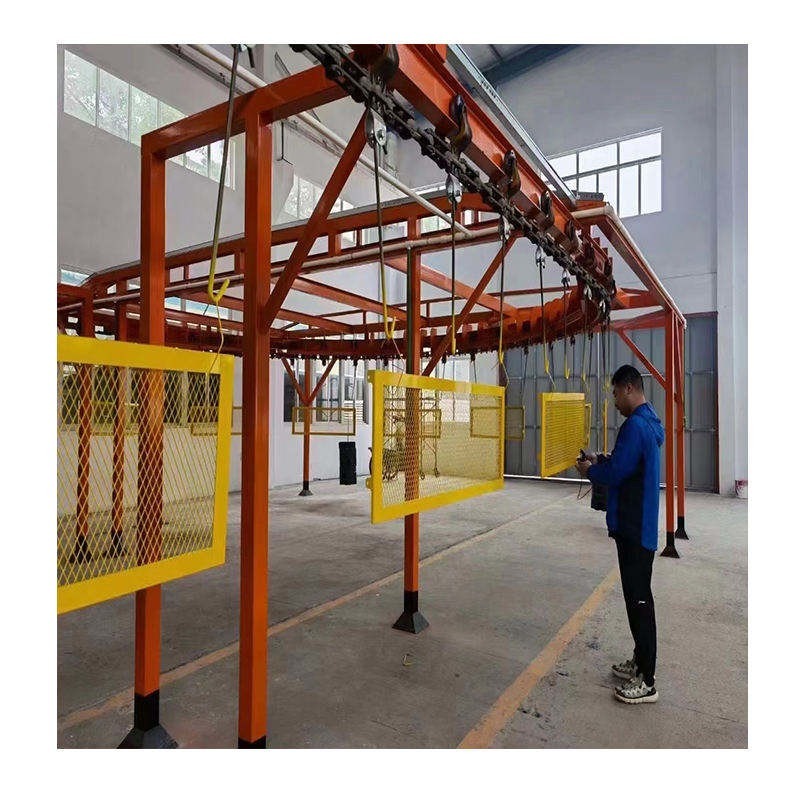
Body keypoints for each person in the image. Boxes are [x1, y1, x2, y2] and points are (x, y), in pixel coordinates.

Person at [576, 364, 664, 705]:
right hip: (636, 524)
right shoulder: (647, 422)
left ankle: (648, 681)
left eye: (615, 394)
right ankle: (639, 662)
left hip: (634, 526)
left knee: (640, 602)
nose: (614, 401)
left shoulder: (636, 427)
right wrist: (601, 459)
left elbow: (616, 473)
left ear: (628, 388)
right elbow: (626, 462)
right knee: (635, 599)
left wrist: (591, 470)